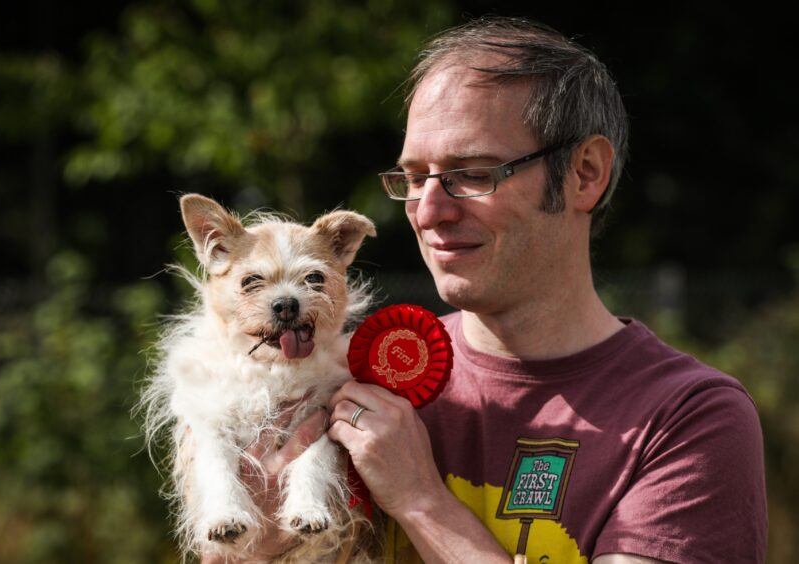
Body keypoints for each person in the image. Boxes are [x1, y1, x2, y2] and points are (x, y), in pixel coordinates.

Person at [220, 16, 767, 564]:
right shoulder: (358, 374)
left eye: (474, 173)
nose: (428, 211)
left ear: (585, 173)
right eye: (413, 178)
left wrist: (420, 501)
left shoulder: (688, 421)